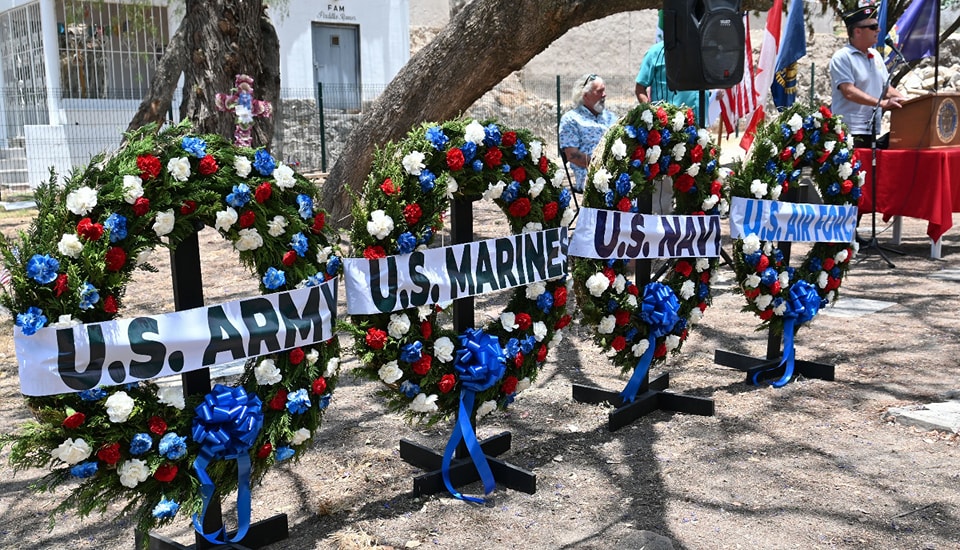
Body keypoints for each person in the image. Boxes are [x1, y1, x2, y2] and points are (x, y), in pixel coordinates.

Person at [829, 3, 906, 149]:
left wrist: (910, 103)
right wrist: (882, 103)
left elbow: (886, 89)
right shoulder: (842, 57)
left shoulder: (875, 55)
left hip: (870, 128)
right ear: (857, 32)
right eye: (873, 27)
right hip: (849, 130)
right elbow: (849, 91)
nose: (878, 30)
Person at [559, 74, 617, 192]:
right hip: (590, 177)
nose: (604, 95)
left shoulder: (611, 118)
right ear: (586, 96)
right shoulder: (571, 119)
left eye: (604, 90)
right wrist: (602, 167)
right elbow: (572, 155)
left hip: (616, 172)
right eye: (599, 91)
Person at [635, 40, 702, 123]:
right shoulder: (655, 52)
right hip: (668, 127)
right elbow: (640, 88)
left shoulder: (701, 51)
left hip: (699, 124)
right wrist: (651, 114)